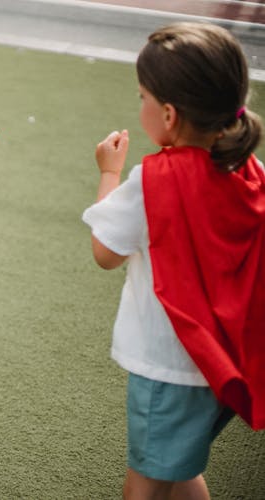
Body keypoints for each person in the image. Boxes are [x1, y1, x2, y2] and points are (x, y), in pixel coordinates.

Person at [82, 22, 264, 499]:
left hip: (169, 365)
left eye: (142, 96)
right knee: (178, 468)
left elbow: (105, 252)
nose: (139, 104)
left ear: (168, 113)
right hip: (222, 358)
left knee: (144, 480)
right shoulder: (249, 169)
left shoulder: (154, 180)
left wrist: (109, 172)